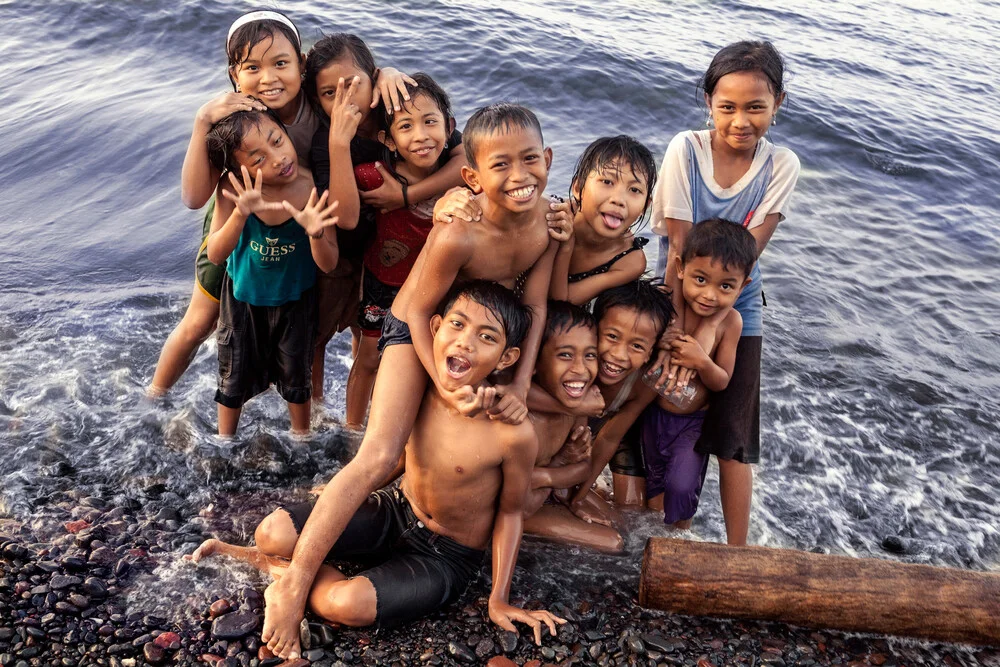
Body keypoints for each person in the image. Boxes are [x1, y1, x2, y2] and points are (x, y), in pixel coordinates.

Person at [257, 103, 570, 659]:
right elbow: (412, 305)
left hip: (463, 335)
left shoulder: (547, 224)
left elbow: (537, 308)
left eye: (530, 161)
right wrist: (439, 379)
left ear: (548, 160)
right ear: (472, 178)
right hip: (418, 327)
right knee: (379, 455)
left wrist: (520, 385)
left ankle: (327, 547)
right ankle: (295, 581)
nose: (519, 176)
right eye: (501, 165)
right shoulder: (459, 232)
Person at [189, 282, 565, 646]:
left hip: (445, 554)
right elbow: (399, 457)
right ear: (434, 327)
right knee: (272, 532)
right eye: (457, 324)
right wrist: (346, 493)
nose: (465, 341)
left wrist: (499, 597)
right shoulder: (419, 389)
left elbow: (511, 513)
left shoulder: (512, 434)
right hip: (396, 509)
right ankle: (268, 558)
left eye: (487, 337)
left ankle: (278, 573)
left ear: (507, 358)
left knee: (344, 605)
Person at [147, 15, 412, 397]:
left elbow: (347, 78)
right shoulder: (236, 119)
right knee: (201, 319)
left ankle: (319, 409)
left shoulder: (315, 99)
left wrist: (385, 72)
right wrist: (202, 119)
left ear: (301, 66)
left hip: (301, 222)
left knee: (309, 321)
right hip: (239, 220)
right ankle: (155, 395)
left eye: (280, 64)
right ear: (234, 75)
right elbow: (192, 198)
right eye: (252, 68)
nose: (268, 78)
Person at [649, 40, 801, 545]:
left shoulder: (782, 165)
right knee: (651, 402)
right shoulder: (685, 150)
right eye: (727, 106)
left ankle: (738, 554)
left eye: (756, 107)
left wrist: (716, 323)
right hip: (674, 294)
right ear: (709, 102)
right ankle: (645, 528)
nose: (741, 119)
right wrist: (676, 326)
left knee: (735, 427)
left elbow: (750, 252)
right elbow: (677, 246)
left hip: (738, 306)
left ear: (777, 104)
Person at [305, 35, 467, 403]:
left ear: (375, 80)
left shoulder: (402, 111)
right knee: (320, 331)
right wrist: (338, 143)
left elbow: (464, 162)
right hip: (343, 252)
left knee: (368, 338)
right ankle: (314, 412)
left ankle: (371, 400)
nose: (346, 100)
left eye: (353, 86)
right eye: (331, 94)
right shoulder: (325, 140)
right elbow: (344, 219)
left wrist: (405, 196)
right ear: (317, 100)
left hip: (390, 252)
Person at [203, 109, 340, 435]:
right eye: (259, 159)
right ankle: (225, 439)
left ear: (284, 130)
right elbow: (216, 253)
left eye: (278, 141)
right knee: (233, 372)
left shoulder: (313, 188)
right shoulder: (233, 191)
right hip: (242, 301)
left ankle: (301, 435)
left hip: (295, 300)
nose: (278, 158)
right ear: (239, 171)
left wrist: (315, 233)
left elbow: (329, 263)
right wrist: (240, 213)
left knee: (297, 374)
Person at [345, 72, 461, 428]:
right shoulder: (373, 176)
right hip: (383, 285)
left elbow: (480, 165)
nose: (421, 136)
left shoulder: (463, 181)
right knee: (367, 359)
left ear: (449, 126)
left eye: (430, 122)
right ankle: (352, 429)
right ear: (389, 140)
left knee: (419, 361)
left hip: (434, 290)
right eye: (406, 126)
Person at [642, 219, 755, 528]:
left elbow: (722, 381)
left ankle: (681, 542)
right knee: (653, 488)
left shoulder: (731, 322)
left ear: (743, 286)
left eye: (725, 286)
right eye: (700, 279)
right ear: (680, 269)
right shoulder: (670, 310)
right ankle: (655, 547)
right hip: (653, 417)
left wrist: (702, 361)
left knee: (682, 486)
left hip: (692, 425)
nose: (709, 295)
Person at [522, 300, 623, 552]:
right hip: (511, 508)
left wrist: (563, 476)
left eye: (589, 355)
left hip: (542, 492)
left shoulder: (578, 403)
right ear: (532, 364)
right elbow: (517, 496)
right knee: (612, 543)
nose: (580, 369)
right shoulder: (523, 418)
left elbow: (583, 467)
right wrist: (559, 467)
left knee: (621, 522)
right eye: (565, 354)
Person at [568, 280, 674, 512]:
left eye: (637, 346)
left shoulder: (644, 383)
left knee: (631, 512)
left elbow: (608, 439)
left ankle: (595, 487)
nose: (618, 355)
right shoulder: (574, 363)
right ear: (593, 329)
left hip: (612, 432)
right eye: (612, 337)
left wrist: (580, 497)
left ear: (650, 353)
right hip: (569, 436)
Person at [550, 136, 657, 305]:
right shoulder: (554, 215)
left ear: (645, 206)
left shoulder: (629, 261)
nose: (619, 200)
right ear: (578, 188)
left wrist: (566, 246)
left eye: (634, 190)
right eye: (607, 181)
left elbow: (561, 304)